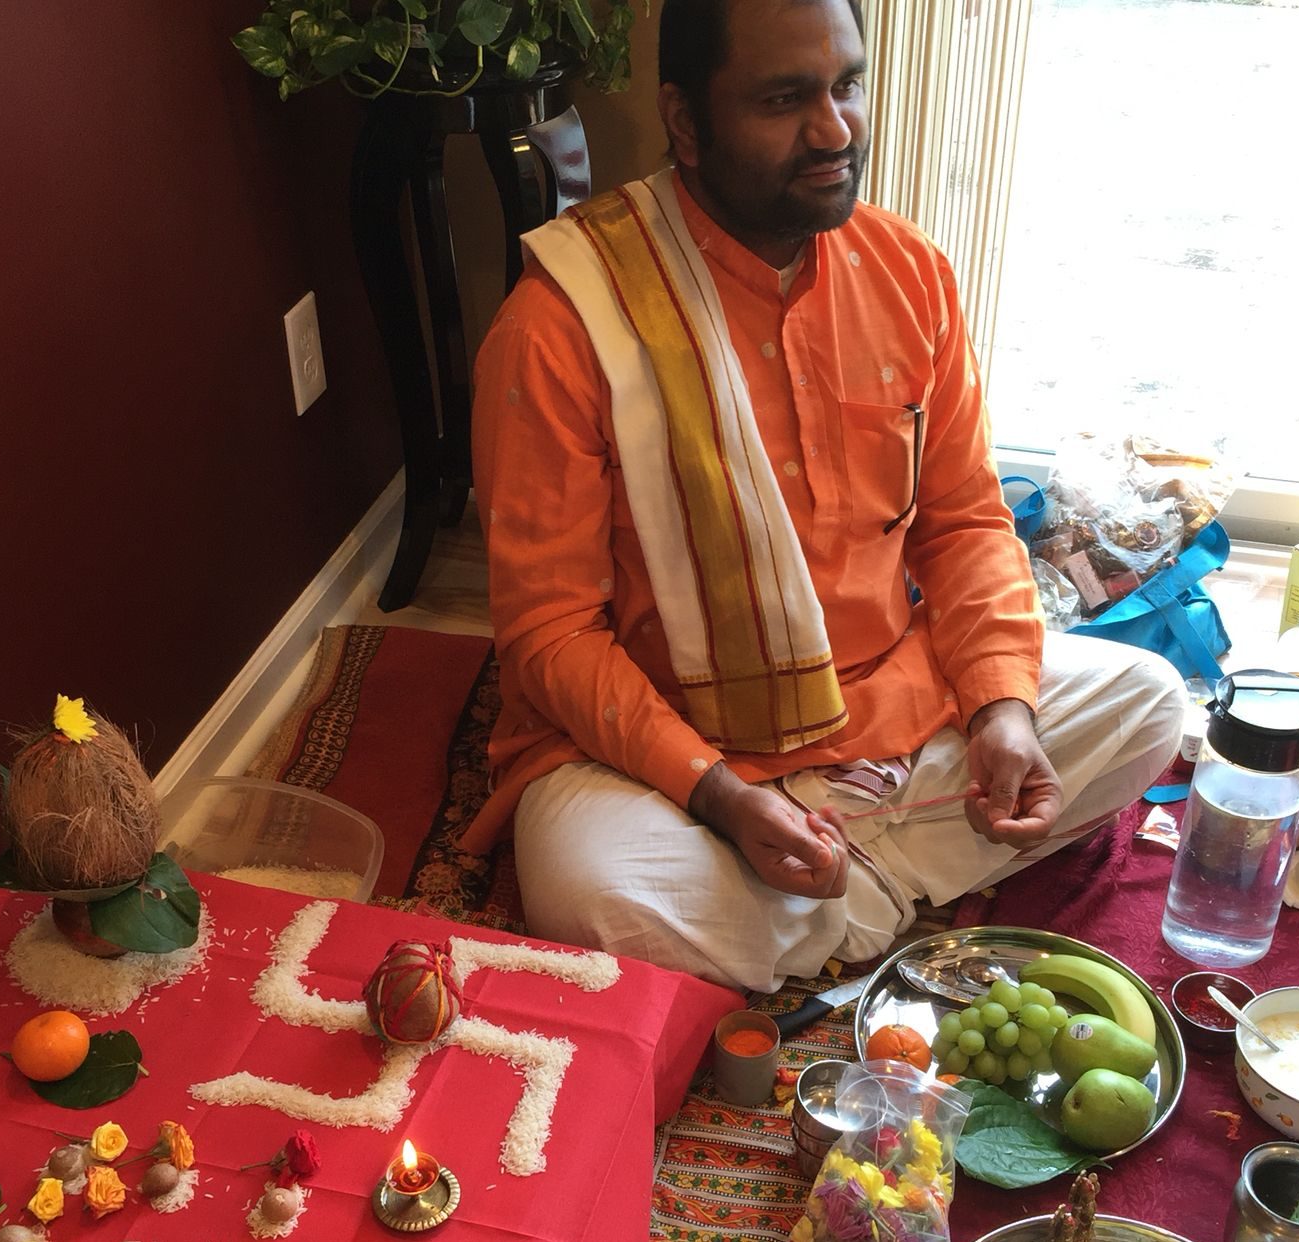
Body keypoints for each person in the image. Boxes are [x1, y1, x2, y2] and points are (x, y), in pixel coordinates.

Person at [461, 0, 1184, 991]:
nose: (835, 129)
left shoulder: (909, 273)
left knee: (1149, 705)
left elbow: (966, 523)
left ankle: (826, 894)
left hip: (883, 701)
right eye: (783, 99)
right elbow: (549, 634)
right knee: (597, 896)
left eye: (847, 85)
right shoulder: (560, 327)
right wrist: (717, 795)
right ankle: (877, 869)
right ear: (685, 120)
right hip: (668, 748)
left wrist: (1001, 713)